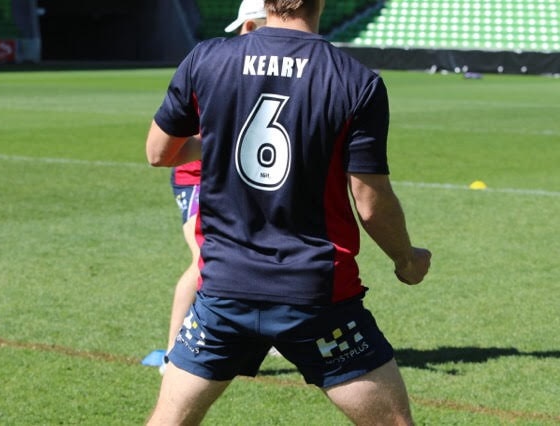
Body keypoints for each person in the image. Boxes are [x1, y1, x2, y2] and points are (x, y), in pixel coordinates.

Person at [145, 0, 432, 424]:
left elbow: (158, 153)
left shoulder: (206, 58)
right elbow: (369, 203)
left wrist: (219, 144)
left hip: (225, 291)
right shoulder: (356, 79)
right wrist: (406, 259)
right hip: (316, 296)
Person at [162, 0, 267, 372]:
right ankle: (174, 350)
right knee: (203, 260)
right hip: (197, 176)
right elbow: (169, 137)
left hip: (231, 174)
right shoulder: (216, 64)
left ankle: (260, 336)